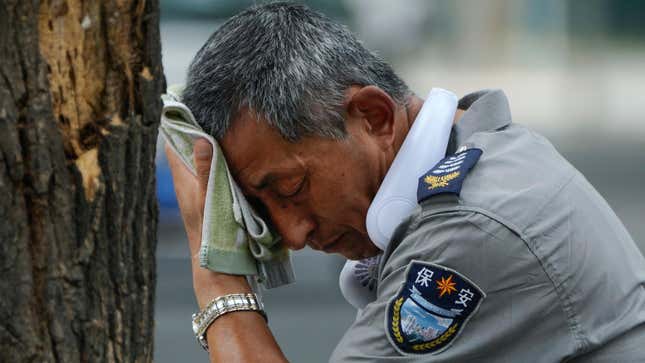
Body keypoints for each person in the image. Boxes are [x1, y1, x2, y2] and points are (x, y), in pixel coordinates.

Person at [166, 2, 645, 362]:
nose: (293, 234)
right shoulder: (483, 150)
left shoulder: (469, 230)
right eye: (261, 209)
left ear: (373, 117)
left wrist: (216, 275)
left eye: (290, 189)